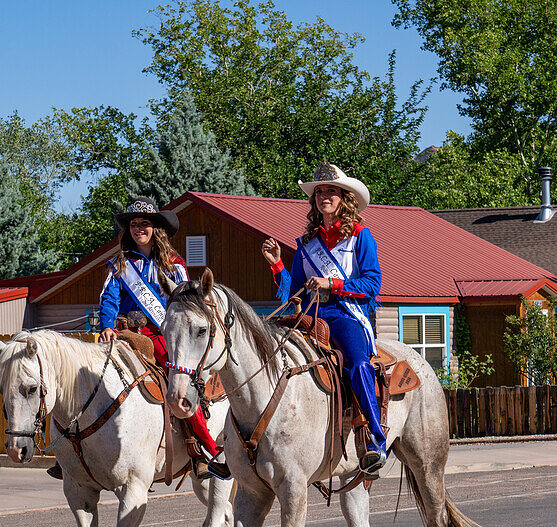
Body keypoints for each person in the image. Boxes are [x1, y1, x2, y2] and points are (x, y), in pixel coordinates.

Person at [48, 196, 229, 482]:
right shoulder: (119, 264)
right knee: (87, 378)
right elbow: (108, 298)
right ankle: (70, 450)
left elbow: (183, 302)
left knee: (177, 383)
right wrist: (107, 325)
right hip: (124, 333)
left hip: (160, 335)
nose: (139, 228)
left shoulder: (174, 264)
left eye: (144, 223)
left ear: (155, 228)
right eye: (134, 224)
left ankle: (201, 449)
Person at [261, 162, 387, 473]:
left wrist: (332, 283)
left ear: (345, 197)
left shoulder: (360, 235)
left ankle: (374, 436)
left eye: (330, 191)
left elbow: (373, 283)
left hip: (345, 313)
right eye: (319, 192)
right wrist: (278, 265)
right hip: (312, 312)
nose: (324, 197)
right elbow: (297, 291)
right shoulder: (306, 243)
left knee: (357, 363)